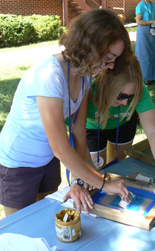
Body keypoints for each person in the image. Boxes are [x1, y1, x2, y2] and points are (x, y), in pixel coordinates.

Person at [0, 9, 133, 216]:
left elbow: (78, 132)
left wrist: (81, 180)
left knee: (47, 217)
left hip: (48, 159)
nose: (111, 65)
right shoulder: (48, 76)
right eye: (108, 58)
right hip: (19, 164)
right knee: (22, 228)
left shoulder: (84, 75)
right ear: (90, 47)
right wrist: (103, 183)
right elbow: (61, 148)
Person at [69, 55, 155, 214]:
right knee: (94, 169)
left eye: (131, 97)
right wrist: (89, 176)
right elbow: (76, 138)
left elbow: (154, 132)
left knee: (121, 167)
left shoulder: (136, 87)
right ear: (106, 82)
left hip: (123, 125)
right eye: (121, 96)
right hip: (92, 128)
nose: (126, 103)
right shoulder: (87, 90)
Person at [135, 0, 155, 85]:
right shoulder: (140, 5)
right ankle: (145, 78)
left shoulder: (153, 5)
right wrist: (152, 21)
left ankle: (153, 76)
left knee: (153, 53)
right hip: (143, 31)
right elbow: (138, 21)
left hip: (152, 30)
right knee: (144, 54)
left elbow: (154, 18)